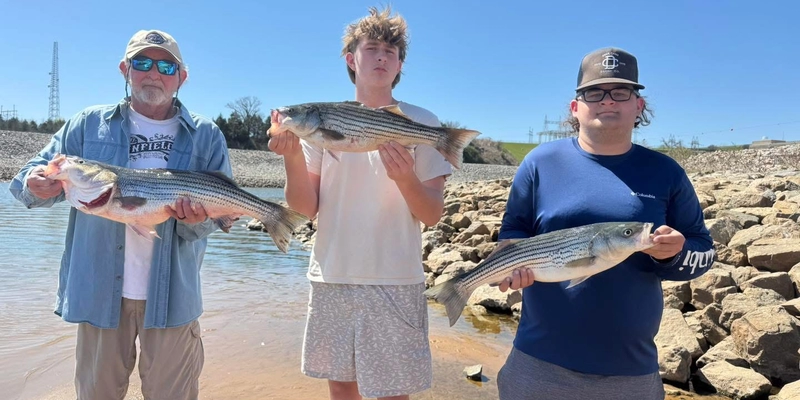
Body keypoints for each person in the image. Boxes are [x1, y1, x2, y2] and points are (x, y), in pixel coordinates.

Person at [9, 29, 232, 400]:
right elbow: (26, 182)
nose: (153, 73)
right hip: (98, 295)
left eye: (166, 66)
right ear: (125, 70)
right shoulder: (86, 124)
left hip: (174, 299)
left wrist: (199, 221)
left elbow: (218, 216)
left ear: (182, 76)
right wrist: (36, 184)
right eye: (142, 63)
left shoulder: (206, 135)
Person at [494, 47, 715, 400]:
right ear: (575, 107)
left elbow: (703, 252)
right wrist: (512, 267)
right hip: (537, 364)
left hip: (630, 373)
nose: (607, 100)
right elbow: (513, 231)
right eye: (594, 92)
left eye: (621, 92)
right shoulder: (540, 163)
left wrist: (674, 254)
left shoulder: (666, 172)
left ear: (639, 105)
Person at [268, 7, 451, 400]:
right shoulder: (320, 122)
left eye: (390, 51)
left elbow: (432, 214)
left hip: (395, 278)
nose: (381, 56)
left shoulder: (424, 122)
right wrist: (292, 156)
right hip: (332, 274)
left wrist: (405, 178)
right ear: (351, 59)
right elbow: (305, 207)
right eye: (372, 48)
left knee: (393, 392)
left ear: (400, 65)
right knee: (341, 387)